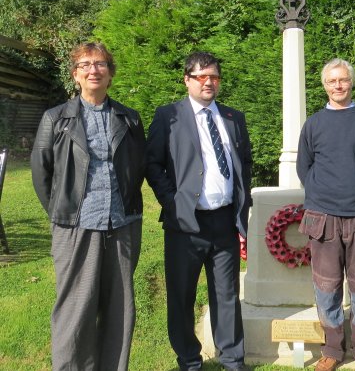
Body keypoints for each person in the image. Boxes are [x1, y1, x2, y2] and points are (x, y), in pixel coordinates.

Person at [31, 42, 145, 371]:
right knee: (75, 308)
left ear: (110, 74)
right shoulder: (56, 118)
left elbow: (137, 167)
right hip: (74, 225)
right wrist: (62, 211)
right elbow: (42, 174)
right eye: (85, 65)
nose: (93, 70)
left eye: (100, 64)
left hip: (122, 224)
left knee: (119, 307)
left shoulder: (130, 118)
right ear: (75, 75)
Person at [145, 51, 252, 371]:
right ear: (187, 80)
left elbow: (244, 164)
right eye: (201, 77)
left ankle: (232, 359)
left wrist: (240, 210)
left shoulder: (234, 118)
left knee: (227, 295)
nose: (209, 83)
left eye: (214, 77)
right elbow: (152, 163)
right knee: (181, 296)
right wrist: (173, 202)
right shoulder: (169, 116)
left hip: (224, 221)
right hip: (185, 223)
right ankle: (189, 361)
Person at [297, 58, 355, 371]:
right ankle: (332, 351)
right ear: (325, 85)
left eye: (343, 80)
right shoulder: (313, 124)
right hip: (323, 218)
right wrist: (322, 194)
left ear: (351, 82)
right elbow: (304, 167)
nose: (338, 85)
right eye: (332, 81)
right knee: (327, 287)